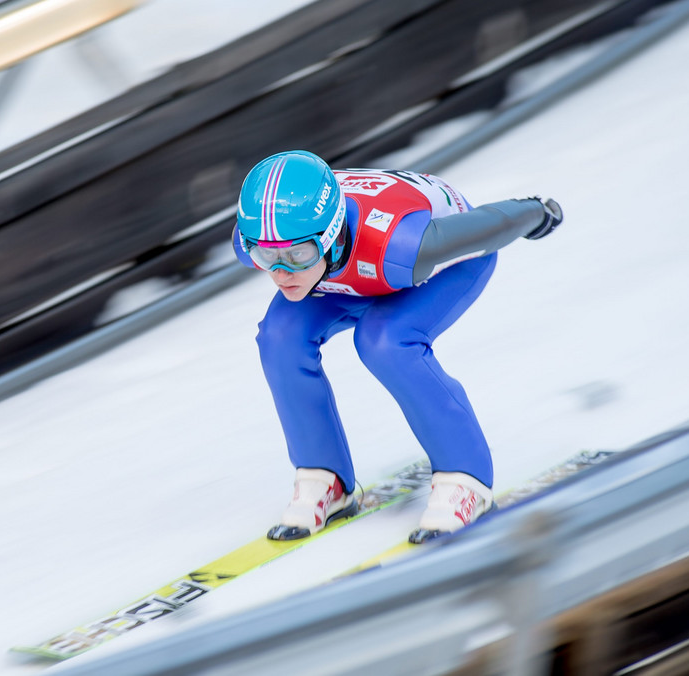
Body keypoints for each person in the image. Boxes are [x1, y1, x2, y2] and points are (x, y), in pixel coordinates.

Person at [231, 150, 562, 544]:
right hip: (343, 271)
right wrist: (295, 257)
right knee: (279, 336)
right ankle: (325, 477)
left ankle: (465, 478)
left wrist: (537, 212)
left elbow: (487, 226)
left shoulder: (405, 245)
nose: (281, 271)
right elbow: (284, 253)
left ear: (331, 234)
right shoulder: (263, 233)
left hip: (426, 264)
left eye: (297, 253)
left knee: (385, 340)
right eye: (267, 256)